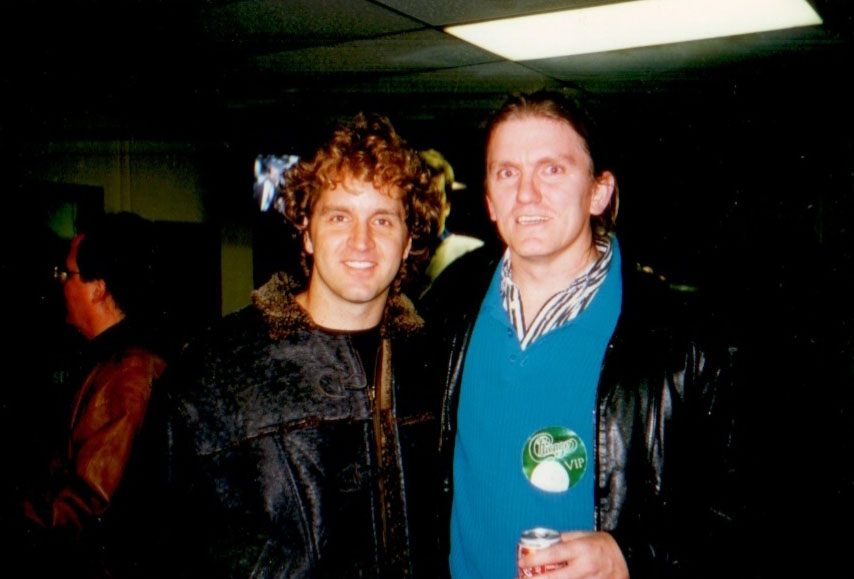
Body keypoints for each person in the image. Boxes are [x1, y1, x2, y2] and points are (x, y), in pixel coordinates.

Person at [422, 91, 740, 578]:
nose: (526, 194)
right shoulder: (449, 305)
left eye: (552, 169)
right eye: (507, 173)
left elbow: (740, 515)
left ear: (599, 192)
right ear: (488, 199)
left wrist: (631, 556)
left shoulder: (682, 341)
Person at [160, 112, 445, 577]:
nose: (362, 242)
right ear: (307, 232)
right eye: (339, 217)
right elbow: (151, 545)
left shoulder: (437, 365)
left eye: (383, 220)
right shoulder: (215, 372)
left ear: (409, 239)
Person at [19, 212, 167, 577]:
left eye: (67, 274)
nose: (61, 284)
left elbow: (87, 504)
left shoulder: (128, 372)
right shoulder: (103, 361)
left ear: (98, 288)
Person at [419, 149, 484, 288]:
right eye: (419, 196)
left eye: (433, 197)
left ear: (447, 205)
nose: (425, 208)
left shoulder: (469, 253)